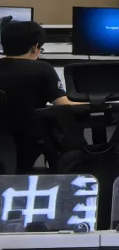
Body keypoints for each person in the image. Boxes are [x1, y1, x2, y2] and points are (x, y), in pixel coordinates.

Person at [0, 21, 81, 173]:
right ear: (35, 47)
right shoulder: (42, 69)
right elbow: (64, 105)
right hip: (28, 142)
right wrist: (96, 101)